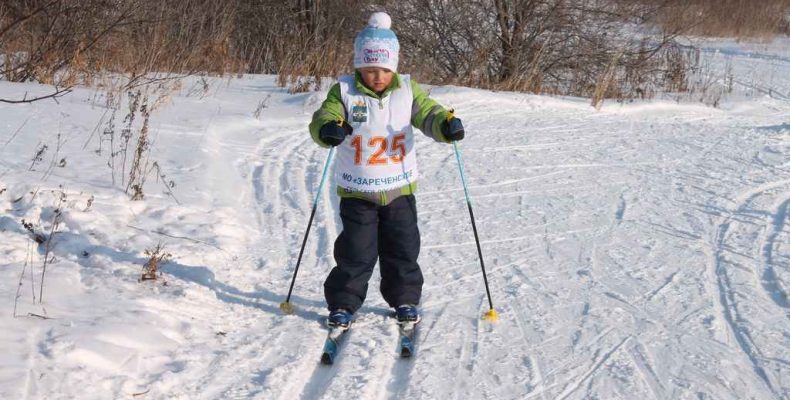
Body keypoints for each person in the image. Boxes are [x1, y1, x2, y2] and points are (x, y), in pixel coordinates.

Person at [308, 11, 465, 329]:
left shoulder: (407, 90)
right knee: (356, 251)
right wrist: (328, 128)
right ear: (358, 66)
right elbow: (326, 114)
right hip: (357, 188)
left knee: (403, 246)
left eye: (383, 69)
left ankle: (405, 298)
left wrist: (444, 124)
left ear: (393, 66)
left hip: (399, 187)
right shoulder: (346, 91)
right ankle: (343, 302)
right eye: (369, 69)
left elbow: (428, 113)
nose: (376, 76)